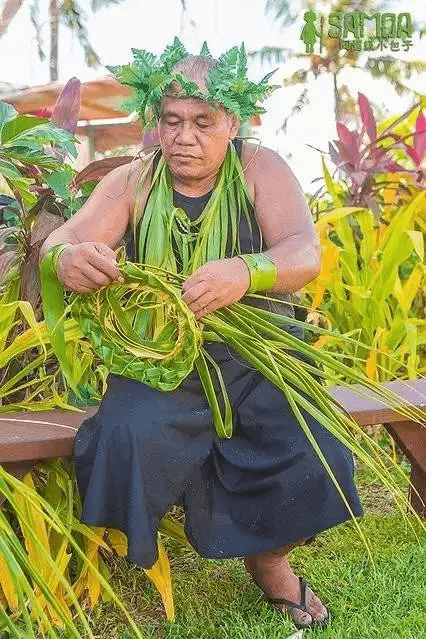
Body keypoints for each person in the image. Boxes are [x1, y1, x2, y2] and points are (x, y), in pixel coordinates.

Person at [40, 40, 362, 630]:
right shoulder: (133, 181)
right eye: (172, 121)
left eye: (203, 122)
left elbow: (304, 252)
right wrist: (68, 260)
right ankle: (134, 557)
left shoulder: (260, 169)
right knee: (127, 430)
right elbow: (64, 241)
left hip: (259, 356)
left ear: (231, 124)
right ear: (156, 125)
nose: (185, 136)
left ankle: (271, 563)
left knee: (312, 445)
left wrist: (247, 270)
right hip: (165, 360)